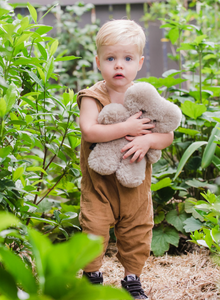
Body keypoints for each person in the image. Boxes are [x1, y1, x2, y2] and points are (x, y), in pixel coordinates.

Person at [77, 19, 174, 300]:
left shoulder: (146, 97)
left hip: (135, 188)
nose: (119, 65)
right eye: (111, 58)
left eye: (127, 58)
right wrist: (127, 128)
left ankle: (132, 279)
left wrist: (146, 139)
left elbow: (166, 136)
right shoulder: (92, 97)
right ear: (98, 62)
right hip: (100, 187)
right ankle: (92, 276)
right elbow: (89, 131)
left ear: (140, 62)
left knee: (137, 234)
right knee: (93, 229)